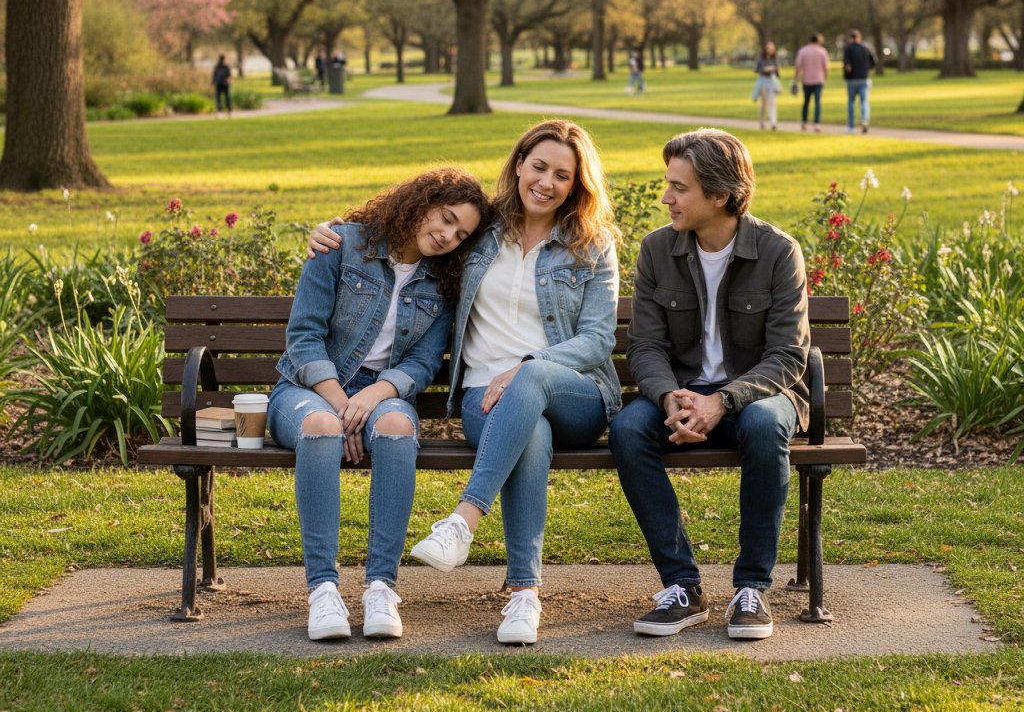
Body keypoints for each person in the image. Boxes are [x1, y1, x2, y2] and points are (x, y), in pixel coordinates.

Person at [309, 120, 621, 646]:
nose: (546, 182)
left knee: (532, 380)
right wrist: (332, 230)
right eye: (539, 167)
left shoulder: (592, 245)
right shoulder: (480, 233)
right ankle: (524, 595)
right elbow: (410, 231)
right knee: (531, 432)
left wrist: (527, 366)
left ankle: (463, 519)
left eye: (562, 175)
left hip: (574, 391)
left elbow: (596, 339)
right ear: (519, 164)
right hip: (484, 397)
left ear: (576, 184)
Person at [608, 128, 809, 641]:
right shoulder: (657, 250)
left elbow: (787, 356)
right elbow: (645, 346)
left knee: (764, 426)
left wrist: (722, 400)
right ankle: (682, 586)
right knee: (628, 431)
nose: (666, 197)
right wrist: (667, 397)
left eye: (679, 188)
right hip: (680, 394)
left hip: (758, 397)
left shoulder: (778, 252)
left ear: (720, 195)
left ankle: (751, 589)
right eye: (668, 184)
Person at [271, 169, 489, 642]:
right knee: (321, 426)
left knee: (395, 427)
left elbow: (424, 361)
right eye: (446, 218)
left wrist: (372, 397)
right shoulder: (343, 245)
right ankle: (322, 589)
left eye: (461, 234)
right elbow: (304, 337)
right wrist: (341, 405)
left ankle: (381, 587)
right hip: (309, 387)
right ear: (421, 201)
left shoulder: (443, 281)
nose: (447, 235)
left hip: (383, 394)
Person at [793, 33, 830, 132]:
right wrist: (826, 77)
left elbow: (798, 65)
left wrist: (795, 78)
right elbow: (826, 67)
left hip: (806, 80)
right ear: (819, 41)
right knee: (817, 102)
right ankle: (817, 124)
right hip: (819, 80)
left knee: (806, 102)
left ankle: (804, 122)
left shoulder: (803, 50)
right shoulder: (822, 51)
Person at [842, 29, 876, 133]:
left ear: (850, 38)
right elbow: (874, 62)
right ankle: (864, 120)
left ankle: (851, 127)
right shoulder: (867, 47)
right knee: (864, 101)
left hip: (852, 79)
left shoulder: (848, 49)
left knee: (851, 103)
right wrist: (866, 69)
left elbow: (847, 66)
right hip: (864, 78)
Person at [751, 42, 781, 130]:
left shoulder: (775, 59)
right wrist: (764, 69)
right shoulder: (761, 59)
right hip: (763, 81)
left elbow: (777, 71)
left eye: (772, 48)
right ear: (765, 49)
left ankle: (773, 123)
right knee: (764, 103)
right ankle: (762, 122)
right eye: (768, 48)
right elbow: (756, 69)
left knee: (773, 103)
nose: (770, 50)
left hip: (772, 81)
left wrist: (774, 69)